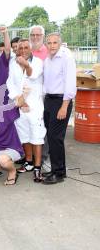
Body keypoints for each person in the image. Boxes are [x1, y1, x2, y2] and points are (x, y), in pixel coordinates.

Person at [6, 39, 46, 182]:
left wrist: (26, 64)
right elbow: (10, 83)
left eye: (25, 47)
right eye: (20, 48)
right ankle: (28, 162)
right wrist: (19, 101)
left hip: (34, 107)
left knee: (37, 136)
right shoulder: (12, 63)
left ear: (31, 49)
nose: (22, 50)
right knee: (24, 135)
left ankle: (37, 167)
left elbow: (32, 74)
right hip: (20, 106)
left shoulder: (38, 62)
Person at [42, 33, 76, 184]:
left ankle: (59, 173)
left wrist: (64, 106)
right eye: (49, 43)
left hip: (61, 101)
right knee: (51, 136)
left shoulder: (66, 57)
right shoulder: (48, 58)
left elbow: (70, 82)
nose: (52, 45)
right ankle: (55, 169)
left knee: (55, 137)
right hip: (49, 100)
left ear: (60, 43)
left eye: (55, 43)